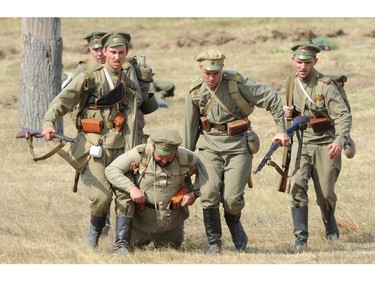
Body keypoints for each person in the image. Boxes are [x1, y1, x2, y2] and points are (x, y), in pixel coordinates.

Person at [184, 49, 289, 254]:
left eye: (216, 72)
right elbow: (189, 127)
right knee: (209, 191)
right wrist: (187, 159)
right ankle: (215, 242)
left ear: (222, 68)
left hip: (238, 145)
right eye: (207, 73)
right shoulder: (195, 91)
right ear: (200, 69)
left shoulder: (238, 83)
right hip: (209, 146)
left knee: (232, 199)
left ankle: (234, 222)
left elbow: (273, 98)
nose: (211, 77)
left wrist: (281, 130)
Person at [42, 31, 139, 250]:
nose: (117, 57)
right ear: (104, 52)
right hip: (93, 145)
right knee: (101, 198)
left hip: (123, 145)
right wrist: (49, 122)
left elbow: (134, 116)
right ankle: (94, 232)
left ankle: (121, 245)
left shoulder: (129, 75)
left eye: (121, 53)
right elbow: (62, 101)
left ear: (126, 53)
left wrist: (135, 152)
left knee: (126, 195)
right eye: (112, 52)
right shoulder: (90, 76)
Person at [283, 41, 352, 251]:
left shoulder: (325, 86)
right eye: (299, 62)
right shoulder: (291, 82)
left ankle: (330, 223)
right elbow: (292, 113)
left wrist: (339, 141)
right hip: (302, 143)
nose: (303, 67)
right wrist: (289, 116)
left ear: (315, 62)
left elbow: (343, 116)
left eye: (308, 62)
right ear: (293, 61)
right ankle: (300, 238)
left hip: (325, 144)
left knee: (325, 195)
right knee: (296, 187)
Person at [105, 128, 201, 255]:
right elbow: (111, 170)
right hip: (141, 218)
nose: (165, 161)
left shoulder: (188, 157)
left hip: (170, 219)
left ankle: (162, 237)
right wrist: (132, 188)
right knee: (123, 194)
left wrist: (195, 192)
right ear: (153, 147)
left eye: (169, 157)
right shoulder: (140, 153)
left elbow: (209, 176)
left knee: (172, 247)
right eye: (160, 157)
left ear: (176, 151)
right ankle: (121, 244)